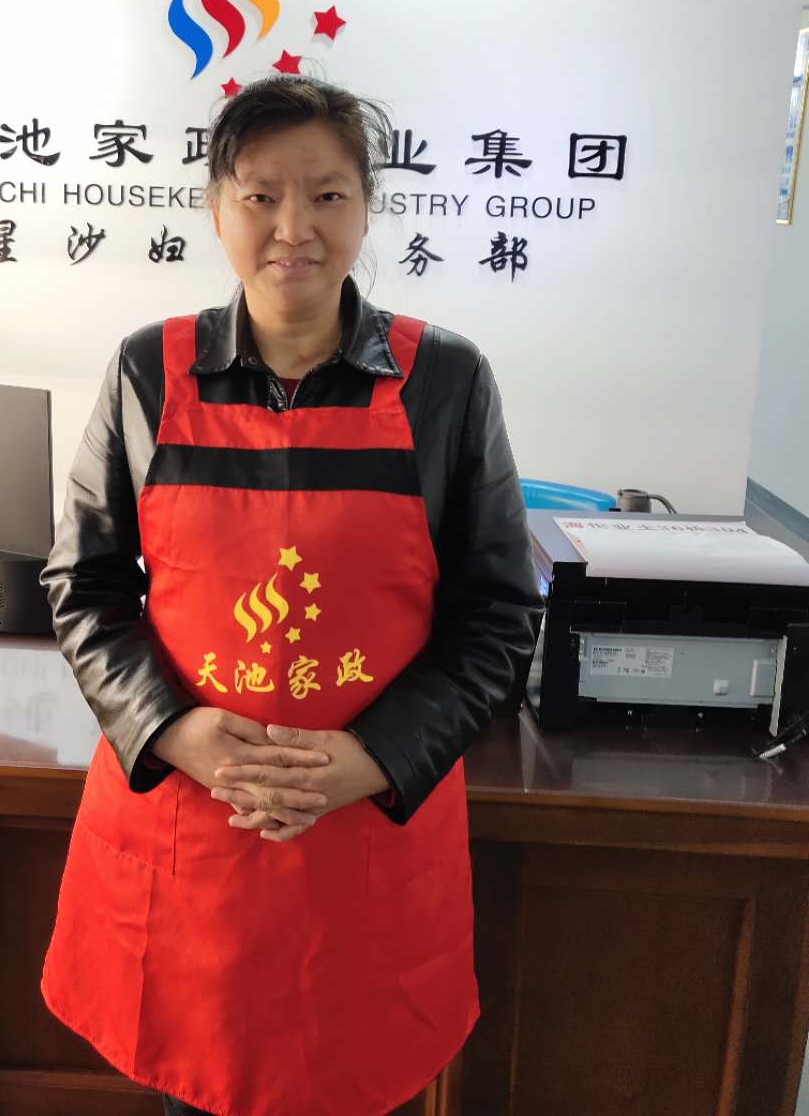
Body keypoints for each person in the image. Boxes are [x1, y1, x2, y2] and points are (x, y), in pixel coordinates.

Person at [40, 76, 544, 1116]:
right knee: (192, 1087)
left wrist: (377, 757)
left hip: (368, 834)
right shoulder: (149, 371)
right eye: (261, 196)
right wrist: (171, 730)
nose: (293, 228)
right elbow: (84, 584)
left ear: (366, 206)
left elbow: (498, 613)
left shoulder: (445, 381)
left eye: (327, 195)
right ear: (217, 207)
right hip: (192, 834)